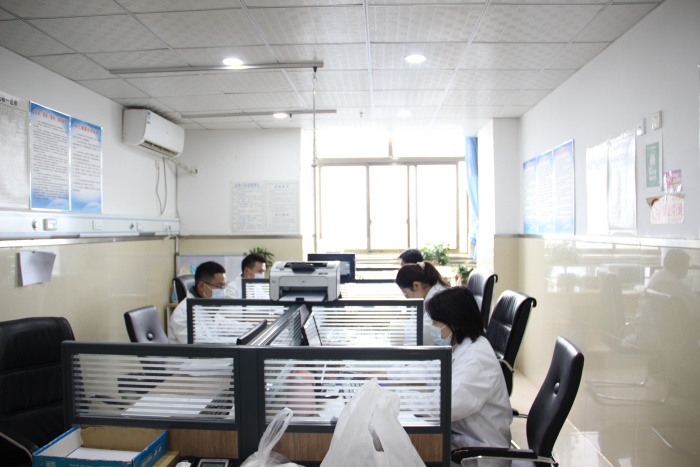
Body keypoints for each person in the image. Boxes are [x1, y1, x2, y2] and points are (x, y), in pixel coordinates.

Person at [427, 287, 513, 466]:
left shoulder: (475, 360)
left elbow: (444, 407)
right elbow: (434, 370)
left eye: (435, 323)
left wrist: (402, 401)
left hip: (477, 455)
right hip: (463, 442)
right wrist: (392, 375)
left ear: (454, 324)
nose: (433, 328)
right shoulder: (466, 345)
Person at [168, 261, 227, 344]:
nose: (222, 291)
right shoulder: (183, 313)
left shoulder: (207, 305)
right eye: (219, 286)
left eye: (224, 286)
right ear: (201, 286)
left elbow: (223, 324)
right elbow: (199, 346)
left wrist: (246, 328)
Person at [395, 261, 450, 344]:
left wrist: (400, 332)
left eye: (405, 293)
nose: (407, 297)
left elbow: (424, 335)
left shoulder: (439, 299)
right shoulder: (428, 296)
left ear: (416, 285)